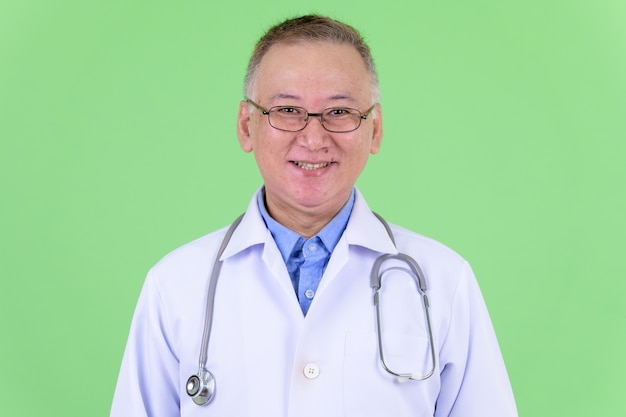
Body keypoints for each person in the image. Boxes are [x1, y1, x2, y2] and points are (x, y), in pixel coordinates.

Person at [110, 14, 517, 417]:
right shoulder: (175, 285)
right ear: (245, 126)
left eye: (339, 113)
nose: (313, 137)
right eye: (287, 109)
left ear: (374, 130)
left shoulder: (445, 281)